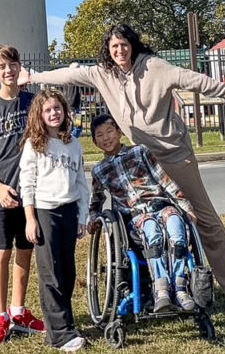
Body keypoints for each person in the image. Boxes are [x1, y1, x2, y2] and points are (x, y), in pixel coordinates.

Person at [20, 24, 225, 315]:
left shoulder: (155, 67)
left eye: (123, 44)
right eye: (114, 47)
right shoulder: (103, 74)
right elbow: (70, 74)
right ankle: (156, 287)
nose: (119, 51)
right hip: (138, 160)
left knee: (204, 220)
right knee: (142, 223)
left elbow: (193, 80)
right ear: (108, 51)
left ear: (132, 45)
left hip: (173, 155)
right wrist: (32, 76)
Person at [0, 45, 46, 347]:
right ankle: (0, 315)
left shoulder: (32, 102)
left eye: (12, 64)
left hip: (30, 192)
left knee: (25, 250)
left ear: (20, 66)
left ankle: (19, 311)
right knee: (1, 253)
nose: (8, 70)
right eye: (2, 66)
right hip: (1, 194)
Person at [88, 113, 198, 313]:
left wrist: (186, 206)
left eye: (110, 131)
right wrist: (94, 218)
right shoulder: (100, 170)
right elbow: (96, 200)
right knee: (152, 230)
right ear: (95, 143)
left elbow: (164, 180)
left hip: (160, 205)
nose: (106, 138)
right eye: (100, 135)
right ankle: (161, 288)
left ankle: (181, 288)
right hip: (135, 216)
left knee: (175, 224)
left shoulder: (140, 153)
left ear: (120, 132)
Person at [18, 89, 90, 352]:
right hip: (45, 212)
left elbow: (81, 183)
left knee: (68, 273)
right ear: (39, 114)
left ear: (65, 111)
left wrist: (82, 216)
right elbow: (27, 183)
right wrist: (30, 218)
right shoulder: (34, 144)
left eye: (57, 108)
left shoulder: (73, 143)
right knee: (51, 274)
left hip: (69, 210)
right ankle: (60, 336)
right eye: (48, 110)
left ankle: (65, 323)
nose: (53, 113)